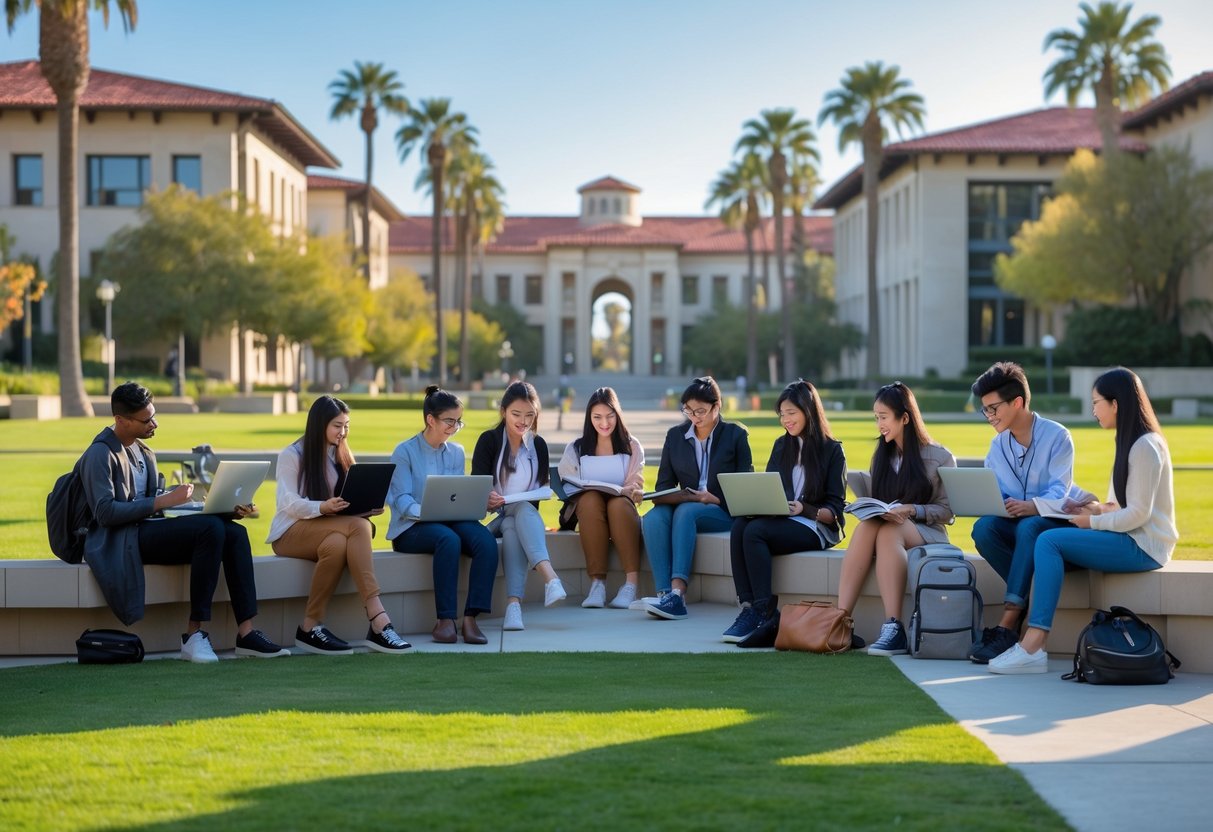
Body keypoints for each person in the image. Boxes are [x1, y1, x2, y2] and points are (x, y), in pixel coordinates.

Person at [78, 382, 287, 662]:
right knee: (209, 530)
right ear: (120, 420)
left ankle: (247, 633)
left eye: (154, 415)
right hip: (123, 539)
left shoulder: (143, 453)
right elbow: (104, 513)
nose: (154, 424)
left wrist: (223, 509)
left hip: (149, 529)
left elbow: (156, 503)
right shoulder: (99, 454)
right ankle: (193, 635)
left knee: (233, 532)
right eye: (146, 419)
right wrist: (162, 501)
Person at [989, 367, 1177, 674]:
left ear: (1115, 404)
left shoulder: (1145, 446)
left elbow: (1139, 515)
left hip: (1143, 546)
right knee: (1044, 535)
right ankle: (1030, 642)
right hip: (1130, 538)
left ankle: (1033, 644)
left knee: (1048, 540)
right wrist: (1094, 508)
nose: (1093, 410)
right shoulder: (1132, 442)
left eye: (1096, 402)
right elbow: (1125, 506)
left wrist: (1092, 523)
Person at [268, 395, 411, 655]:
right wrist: (321, 507)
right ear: (319, 424)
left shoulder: (341, 453)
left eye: (346, 425)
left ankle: (309, 628)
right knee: (359, 527)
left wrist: (365, 507)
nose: (343, 432)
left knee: (337, 544)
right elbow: (288, 502)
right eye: (337, 425)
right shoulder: (292, 455)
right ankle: (378, 618)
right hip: (290, 532)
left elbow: (348, 498)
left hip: (328, 531)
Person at [967, 361, 1084, 664]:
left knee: (1030, 527)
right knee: (983, 528)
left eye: (994, 409)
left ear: (1017, 402)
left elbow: (1061, 491)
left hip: (1051, 526)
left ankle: (1009, 622)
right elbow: (998, 491)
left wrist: (1032, 507)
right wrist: (997, 504)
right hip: (1016, 526)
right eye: (985, 410)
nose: (989, 417)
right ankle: (1027, 590)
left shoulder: (1057, 437)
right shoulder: (997, 446)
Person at [836, 382, 956, 654]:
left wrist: (912, 509)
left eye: (883, 417)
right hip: (891, 529)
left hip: (929, 532)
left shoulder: (939, 456)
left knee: (891, 531)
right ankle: (841, 620)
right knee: (869, 526)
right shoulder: (882, 454)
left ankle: (894, 627)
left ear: (904, 417)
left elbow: (948, 511)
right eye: (876, 417)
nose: (879, 424)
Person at [724, 380, 847, 646]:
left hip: (815, 527)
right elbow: (769, 486)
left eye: (791, 413)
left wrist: (806, 509)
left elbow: (835, 512)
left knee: (756, 532)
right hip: (783, 519)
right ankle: (748, 607)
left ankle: (765, 612)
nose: (785, 420)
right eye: (782, 414)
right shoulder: (782, 446)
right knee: (740, 527)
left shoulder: (832, 450)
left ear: (809, 410)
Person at [387, 386, 499, 645]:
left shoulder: (457, 451)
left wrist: (477, 502)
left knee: (485, 541)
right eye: (450, 421)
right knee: (448, 540)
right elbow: (401, 499)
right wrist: (426, 512)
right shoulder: (404, 452)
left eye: (458, 421)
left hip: (449, 520)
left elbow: (456, 493)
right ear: (430, 419)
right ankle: (445, 620)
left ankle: (471, 618)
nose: (455, 427)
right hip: (410, 528)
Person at [641, 376, 752, 620]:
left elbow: (746, 486)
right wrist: (681, 496)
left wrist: (712, 499)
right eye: (688, 410)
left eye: (701, 410)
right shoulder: (675, 436)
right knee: (652, 518)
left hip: (723, 510)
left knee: (687, 511)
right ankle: (664, 595)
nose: (694, 417)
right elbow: (663, 485)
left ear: (716, 406)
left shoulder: (736, 435)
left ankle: (678, 595)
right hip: (686, 503)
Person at [471, 381, 567, 631]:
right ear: (503, 412)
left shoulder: (539, 446)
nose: (523, 421)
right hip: (494, 519)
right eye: (516, 414)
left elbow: (536, 497)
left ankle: (513, 608)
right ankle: (550, 578)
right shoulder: (489, 441)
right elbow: (476, 488)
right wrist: (486, 496)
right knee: (517, 513)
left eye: (529, 415)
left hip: (519, 518)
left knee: (517, 520)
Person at [557, 387, 645, 609]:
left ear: (618, 415)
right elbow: (568, 483)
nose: (604, 423)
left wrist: (631, 491)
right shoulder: (576, 447)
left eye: (609, 416)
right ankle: (597, 584)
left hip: (621, 504)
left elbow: (635, 483)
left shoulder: (632, 446)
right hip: (590, 507)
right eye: (597, 417)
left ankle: (630, 585)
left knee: (617, 506)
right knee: (589, 500)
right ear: (589, 418)